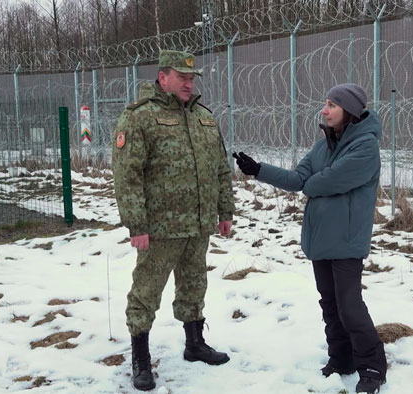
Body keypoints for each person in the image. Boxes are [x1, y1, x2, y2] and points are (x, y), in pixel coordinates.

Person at [233, 83, 387, 394]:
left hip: (345, 241)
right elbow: (298, 178)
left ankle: (371, 366)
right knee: (330, 304)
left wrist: (311, 183)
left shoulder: (365, 147)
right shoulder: (323, 147)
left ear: (350, 112)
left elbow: (325, 181)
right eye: (325, 103)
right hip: (320, 241)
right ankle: (341, 358)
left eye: (332, 105)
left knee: (349, 305)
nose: (324, 109)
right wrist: (259, 169)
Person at [112, 49, 235, 391]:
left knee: (194, 284)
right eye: (182, 77)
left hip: (198, 223)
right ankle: (140, 359)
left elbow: (220, 168)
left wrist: (225, 212)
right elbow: (127, 174)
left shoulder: (203, 117)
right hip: (160, 228)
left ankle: (195, 344)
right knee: (147, 291)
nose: (188, 83)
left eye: (191, 78)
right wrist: (136, 224)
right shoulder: (140, 117)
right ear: (163, 77)